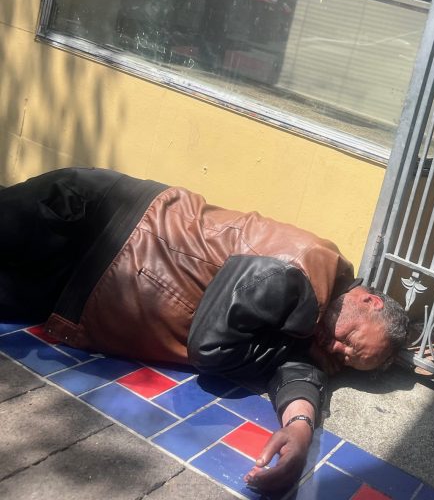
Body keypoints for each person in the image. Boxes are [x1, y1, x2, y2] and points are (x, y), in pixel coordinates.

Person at [0, 167, 408, 494]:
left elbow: (295, 369)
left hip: (77, 290)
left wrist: (299, 428)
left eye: (343, 358)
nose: (334, 347)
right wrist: (283, 358)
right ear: (369, 301)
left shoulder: (310, 321)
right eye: (349, 339)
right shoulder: (308, 266)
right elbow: (211, 348)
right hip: (93, 219)